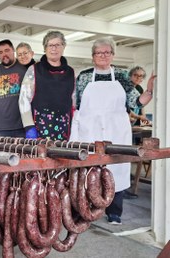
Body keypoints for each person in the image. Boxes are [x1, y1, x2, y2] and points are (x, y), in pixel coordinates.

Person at [70, 37, 156, 225]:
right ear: (93, 57)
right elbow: (76, 104)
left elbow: (135, 102)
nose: (103, 56)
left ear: (112, 55)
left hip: (116, 129)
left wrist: (149, 91)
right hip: (90, 129)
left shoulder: (122, 75)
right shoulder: (84, 76)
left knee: (116, 168)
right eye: (99, 53)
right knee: (89, 168)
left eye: (107, 52)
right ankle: (87, 209)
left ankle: (114, 212)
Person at [19, 31, 75, 141]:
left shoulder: (71, 72)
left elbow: (73, 101)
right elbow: (23, 99)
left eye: (58, 45)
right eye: (50, 45)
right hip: (39, 126)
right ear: (45, 48)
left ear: (63, 47)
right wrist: (29, 126)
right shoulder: (34, 70)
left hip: (64, 127)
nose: (54, 49)